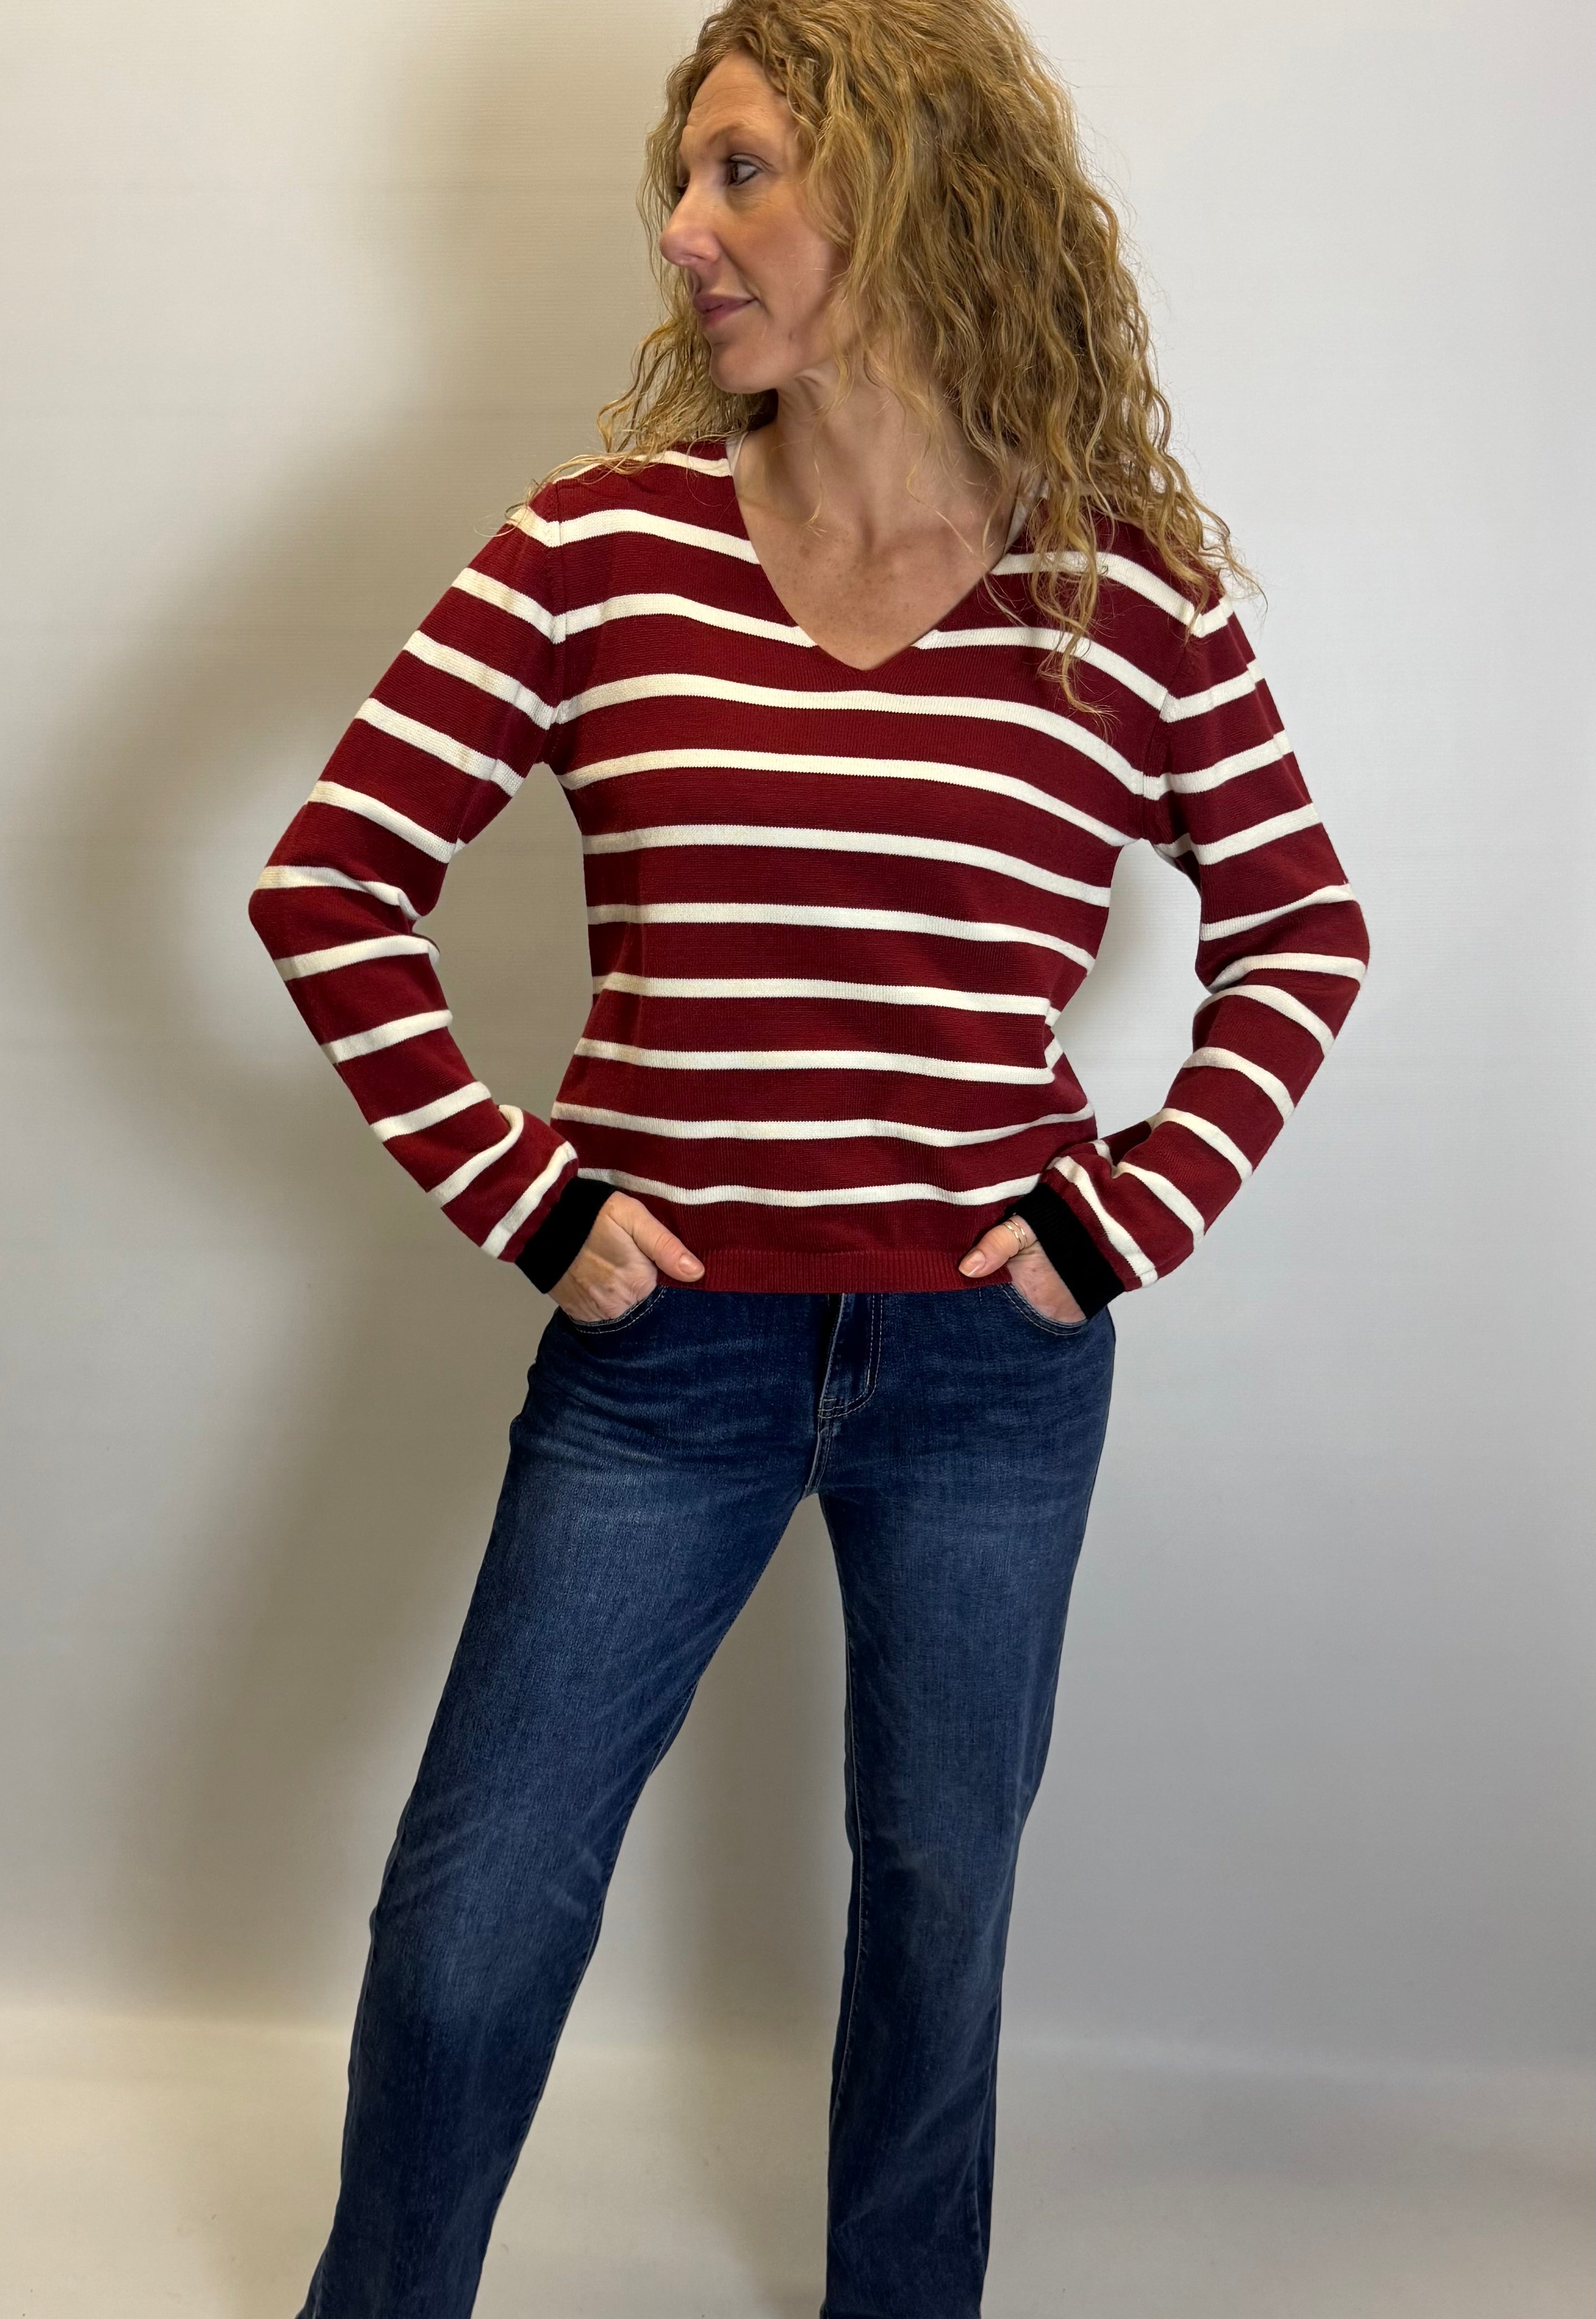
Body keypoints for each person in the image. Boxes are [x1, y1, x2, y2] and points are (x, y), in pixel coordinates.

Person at [249, 2, 1369, 2311]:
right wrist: (527, 1192)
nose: (684, 230)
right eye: (684, 177)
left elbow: (1301, 928)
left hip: (988, 1362)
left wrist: (1121, 1216)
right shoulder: (592, 556)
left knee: (942, 1899)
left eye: (742, 170)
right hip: (663, 1361)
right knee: (477, 1906)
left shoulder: (1118, 590)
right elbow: (328, 879)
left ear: (914, 182)